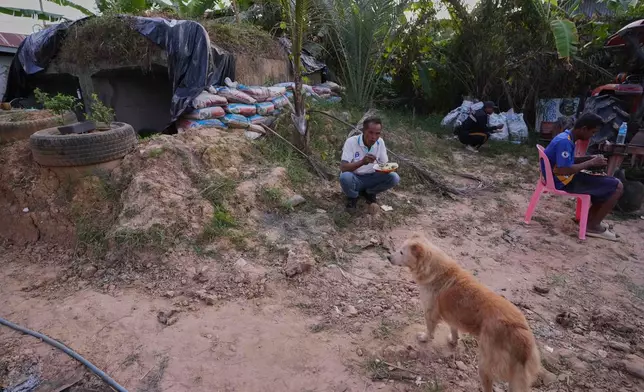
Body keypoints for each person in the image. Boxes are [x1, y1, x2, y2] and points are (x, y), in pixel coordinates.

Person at [544, 112, 624, 241]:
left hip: (562, 178)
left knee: (607, 182)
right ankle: (592, 226)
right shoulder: (565, 142)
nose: (593, 136)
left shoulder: (566, 137)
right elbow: (563, 169)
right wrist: (590, 163)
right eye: (592, 132)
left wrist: (588, 159)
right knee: (617, 186)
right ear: (584, 129)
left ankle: (591, 220)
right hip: (562, 181)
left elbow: (567, 161)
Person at [339, 117, 400, 212]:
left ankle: (370, 192)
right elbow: (343, 168)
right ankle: (353, 197)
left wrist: (389, 168)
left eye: (377, 133)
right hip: (356, 178)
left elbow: (384, 164)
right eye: (371, 132)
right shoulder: (351, 142)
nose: (374, 137)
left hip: (372, 177)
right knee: (345, 177)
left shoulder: (380, 142)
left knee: (394, 177)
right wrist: (362, 162)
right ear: (363, 131)